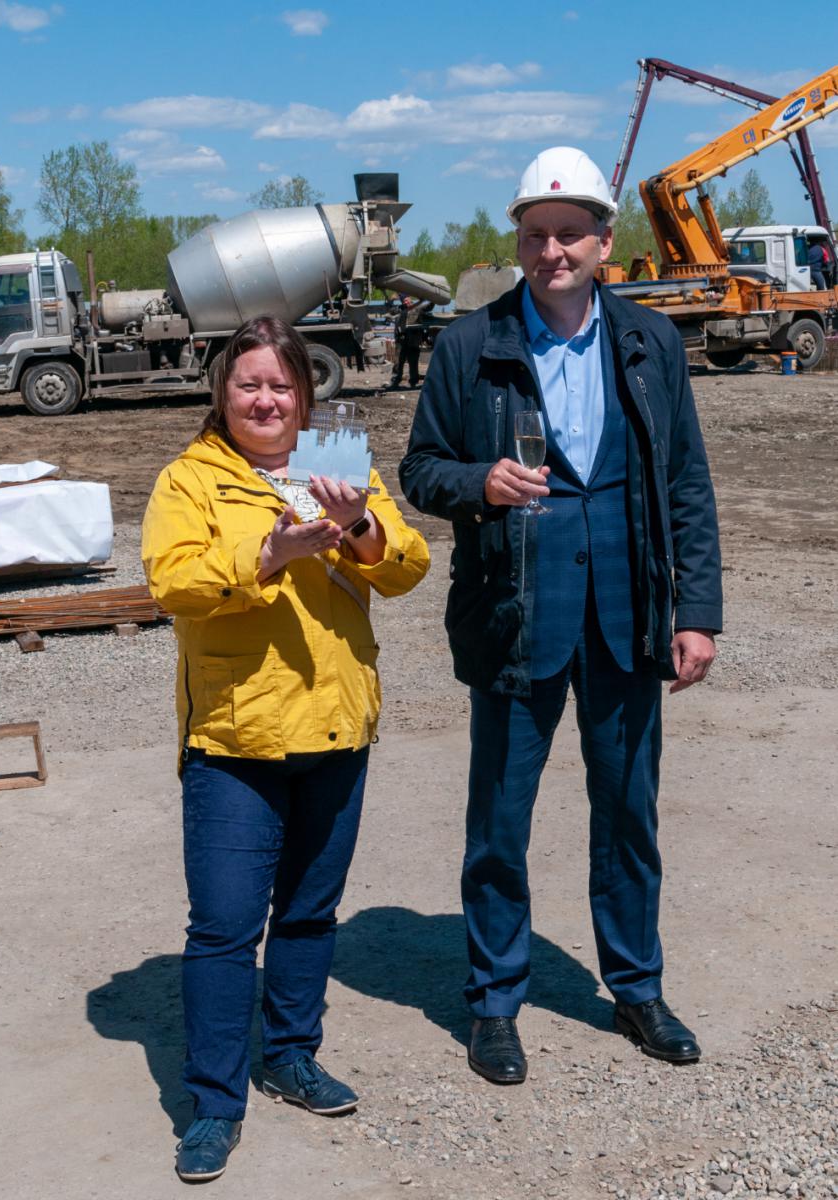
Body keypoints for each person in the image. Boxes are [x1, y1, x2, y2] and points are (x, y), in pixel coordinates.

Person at [399, 147, 722, 1085]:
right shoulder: (472, 346)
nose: (553, 252)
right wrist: (480, 482)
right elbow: (421, 470)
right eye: (536, 235)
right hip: (515, 613)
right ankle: (495, 1001)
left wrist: (696, 612)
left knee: (628, 816)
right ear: (519, 242)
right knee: (500, 823)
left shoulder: (649, 343)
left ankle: (636, 988)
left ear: (603, 242)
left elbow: (686, 484)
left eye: (570, 234)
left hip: (627, 612)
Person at [142, 316, 429, 1181]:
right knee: (225, 929)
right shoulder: (190, 479)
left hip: (337, 725)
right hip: (236, 738)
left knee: (307, 914)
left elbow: (408, 565)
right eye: (249, 385)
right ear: (222, 393)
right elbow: (172, 581)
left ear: (306, 395)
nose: (265, 400)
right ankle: (214, 1102)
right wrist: (266, 551)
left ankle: (292, 1056)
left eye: (281, 385)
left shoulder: (337, 463)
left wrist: (362, 524)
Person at [389, 295, 428, 388]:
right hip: (401, 340)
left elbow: (428, 308)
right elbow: (391, 311)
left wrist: (431, 298)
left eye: (407, 300)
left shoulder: (417, 308)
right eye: (404, 301)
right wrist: (391, 300)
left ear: (411, 300)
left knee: (413, 361)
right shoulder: (400, 309)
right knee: (398, 362)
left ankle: (413, 382)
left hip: (413, 340)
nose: (405, 302)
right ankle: (396, 380)